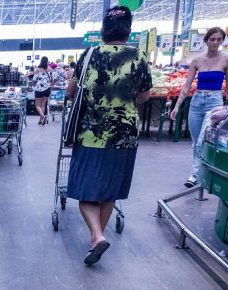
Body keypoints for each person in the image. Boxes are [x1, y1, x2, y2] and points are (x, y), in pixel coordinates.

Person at [66, 6, 152, 265]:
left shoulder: (89, 54)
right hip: (124, 135)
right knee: (109, 192)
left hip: (90, 133)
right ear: (128, 31)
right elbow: (145, 96)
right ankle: (97, 238)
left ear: (103, 30)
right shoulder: (139, 56)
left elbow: (72, 92)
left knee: (84, 190)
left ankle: (96, 235)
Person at [170, 27, 228, 188]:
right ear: (206, 41)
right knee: (195, 142)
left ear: (222, 41)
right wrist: (177, 106)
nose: (215, 42)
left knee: (202, 142)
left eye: (219, 39)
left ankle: (194, 175)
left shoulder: (227, 60)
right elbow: (186, 85)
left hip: (214, 102)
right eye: (212, 39)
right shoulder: (197, 61)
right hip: (197, 101)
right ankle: (199, 172)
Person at [33, 57, 55, 125]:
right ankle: (40, 120)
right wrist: (52, 84)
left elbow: (34, 80)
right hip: (47, 89)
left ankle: (43, 116)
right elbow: (55, 78)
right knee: (43, 105)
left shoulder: (38, 70)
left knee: (37, 105)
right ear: (47, 61)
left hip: (39, 89)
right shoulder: (51, 69)